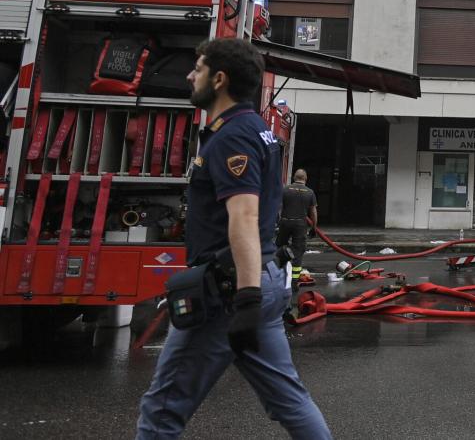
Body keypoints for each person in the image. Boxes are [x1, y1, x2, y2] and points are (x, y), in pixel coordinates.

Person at [137, 38, 331, 439]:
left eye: (199, 68)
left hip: (229, 291)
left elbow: (242, 215)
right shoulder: (255, 128)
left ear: (219, 79)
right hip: (262, 278)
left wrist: (245, 298)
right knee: (288, 400)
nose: (191, 76)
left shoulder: (233, 136)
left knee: (162, 410)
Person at [276, 168, 318, 294]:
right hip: (300, 224)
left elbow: (278, 206)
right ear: (305, 179)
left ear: (294, 178)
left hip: (285, 221)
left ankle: (277, 276)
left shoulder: (285, 190)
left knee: (279, 247)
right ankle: (294, 282)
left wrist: (278, 221)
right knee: (298, 252)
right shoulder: (310, 192)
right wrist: (314, 228)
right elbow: (313, 212)